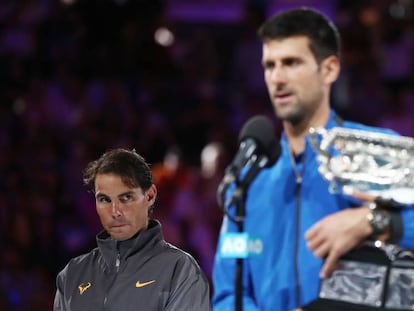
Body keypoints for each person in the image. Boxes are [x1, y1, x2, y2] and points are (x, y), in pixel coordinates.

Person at [212, 7, 414, 311]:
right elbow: (229, 292)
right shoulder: (249, 177)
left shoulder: (378, 154)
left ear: (330, 69)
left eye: (291, 63)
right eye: (270, 65)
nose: (277, 78)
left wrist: (374, 222)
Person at [54, 148, 210, 311]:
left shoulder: (180, 271)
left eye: (126, 197)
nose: (115, 211)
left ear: (150, 196)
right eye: (105, 199)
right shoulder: (73, 274)